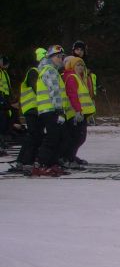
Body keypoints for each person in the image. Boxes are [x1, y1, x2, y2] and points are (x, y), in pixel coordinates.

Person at [33, 45, 68, 176]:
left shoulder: (50, 70)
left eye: (61, 57)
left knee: (58, 137)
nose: (60, 59)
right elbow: (55, 92)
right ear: (50, 57)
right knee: (52, 137)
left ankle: (51, 163)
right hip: (50, 109)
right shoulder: (50, 70)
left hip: (49, 109)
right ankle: (41, 164)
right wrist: (59, 111)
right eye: (57, 57)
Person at [14, 48, 47, 172]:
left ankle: (25, 160)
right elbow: (36, 88)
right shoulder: (34, 71)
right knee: (33, 134)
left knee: (36, 134)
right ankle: (25, 160)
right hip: (32, 108)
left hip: (38, 108)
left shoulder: (40, 72)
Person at [61, 56, 95, 167]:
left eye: (82, 65)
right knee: (77, 137)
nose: (80, 67)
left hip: (81, 113)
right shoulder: (72, 77)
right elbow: (73, 95)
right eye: (78, 65)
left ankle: (70, 157)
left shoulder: (80, 77)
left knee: (78, 137)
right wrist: (78, 110)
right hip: (75, 113)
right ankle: (68, 158)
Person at [0, 55, 12, 154]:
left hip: (5, 99)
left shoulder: (4, 73)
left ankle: (3, 142)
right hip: (2, 98)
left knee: (5, 121)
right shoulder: (1, 73)